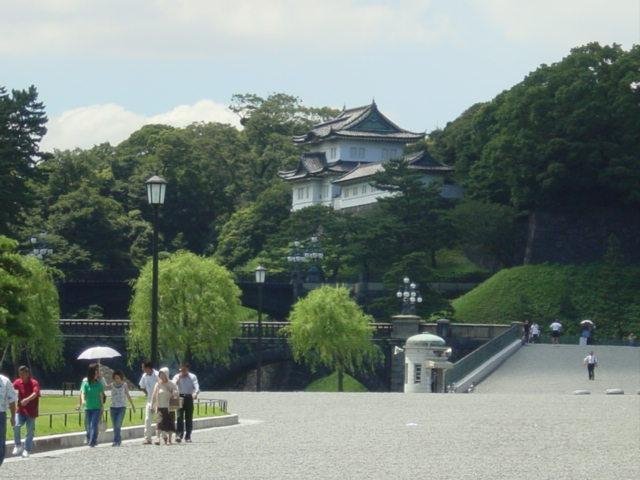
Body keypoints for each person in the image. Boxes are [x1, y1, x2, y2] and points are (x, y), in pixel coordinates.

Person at [12, 366, 40, 458]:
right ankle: (18, 445)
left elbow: (35, 393)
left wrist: (26, 400)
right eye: (20, 374)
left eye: (23, 374)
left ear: (27, 373)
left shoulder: (34, 382)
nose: (21, 376)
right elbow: (11, 391)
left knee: (30, 431)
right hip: (20, 410)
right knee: (16, 425)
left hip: (31, 411)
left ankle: (27, 449)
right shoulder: (17, 382)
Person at [172, 363, 200, 443]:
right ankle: (179, 435)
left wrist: (195, 393)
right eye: (181, 370)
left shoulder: (192, 377)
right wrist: (178, 380)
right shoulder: (177, 376)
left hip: (189, 397)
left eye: (184, 370)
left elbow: (196, 386)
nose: (182, 372)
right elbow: (172, 385)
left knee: (189, 417)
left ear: (187, 369)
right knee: (179, 417)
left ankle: (188, 436)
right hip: (179, 397)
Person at [80, 363, 105, 447]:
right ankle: (91, 439)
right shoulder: (86, 383)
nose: (97, 374)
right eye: (96, 372)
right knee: (88, 425)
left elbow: (101, 396)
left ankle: (92, 441)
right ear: (92, 373)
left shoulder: (99, 384)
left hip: (97, 408)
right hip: (88, 407)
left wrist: (102, 406)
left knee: (93, 424)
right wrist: (83, 401)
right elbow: (83, 393)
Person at [151, 367, 178, 445]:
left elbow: (176, 393)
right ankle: (157, 438)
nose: (162, 376)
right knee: (159, 422)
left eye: (163, 375)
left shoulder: (171, 383)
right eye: (160, 375)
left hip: (170, 407)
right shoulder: (158, 384)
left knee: (170, 423)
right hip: (160, 406)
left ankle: (169, 439)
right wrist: (152, 405)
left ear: (167, 374)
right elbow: (154, 395)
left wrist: (174, 393)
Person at [110, 370, 136, 447]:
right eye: (115, 378)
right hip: (113, 407)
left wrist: (132, 405)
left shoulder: (124, 385)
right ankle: (118, 440)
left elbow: (128, 395)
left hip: (121, 407)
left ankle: (116, 441)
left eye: (118, 378)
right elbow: (103, 386)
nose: (116, 380)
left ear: (121, 378)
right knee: (115, 425)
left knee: (118, 424)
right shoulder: (111, 385)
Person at [138, 361, 158, 445]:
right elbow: (141, 386)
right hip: (149, 400)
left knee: (159, 419)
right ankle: (147, 438)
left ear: (148, 368)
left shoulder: (157, 375)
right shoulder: (144, 376)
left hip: (158, 400)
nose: (142, 369)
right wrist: (147, 393)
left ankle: (158, 437)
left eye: (143, 367)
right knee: (147, 419)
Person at [0, 372, 17, 466]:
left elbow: (12, 400)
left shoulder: (5, 381)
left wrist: (13, 416)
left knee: (1, 444)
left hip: (0, 415)